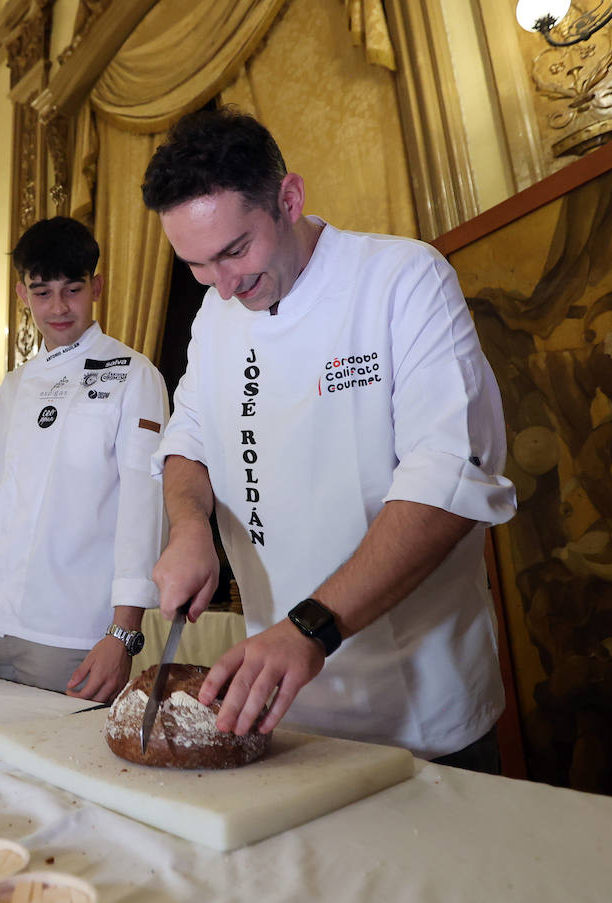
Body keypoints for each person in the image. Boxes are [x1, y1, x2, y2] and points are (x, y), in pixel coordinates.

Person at [141, 109, 517, 770]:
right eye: (197, 265)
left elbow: (449, 480)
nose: (224, 284)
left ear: (289, 197)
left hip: (419, 712)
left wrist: (312, 626)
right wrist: (187, 528)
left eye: (235, 250)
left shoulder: (402, 279)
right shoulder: (216, 313)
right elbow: (188, 440)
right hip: (280, 714)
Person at [0, 217, 169, 702]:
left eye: (72, 290)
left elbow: (144, 515)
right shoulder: (13, 387)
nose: (58, 308)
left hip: (76, 637)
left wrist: (122, 635)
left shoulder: (134, 376)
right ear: (22, 294)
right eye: (42, 293)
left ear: (96, 287)